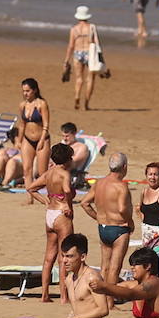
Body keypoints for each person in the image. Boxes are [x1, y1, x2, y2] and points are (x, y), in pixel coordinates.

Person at [27, 143, 76, 303]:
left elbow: (31, 188)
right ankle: (63, 296)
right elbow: (67, 190)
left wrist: (45, 201)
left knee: (49, 257)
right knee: (64, 257)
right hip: (62, 214)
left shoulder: (49, 173)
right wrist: (68, 205)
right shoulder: (64, 174)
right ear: (67, 159)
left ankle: (44, 295)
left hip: (50, 213)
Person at [82, 152, 132, 284]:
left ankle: (102, 297)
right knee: (115, 268)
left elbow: (84, 203)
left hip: (103, 228)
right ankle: (109, 300)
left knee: (104, 267)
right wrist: (130, 222)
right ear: (125, 167)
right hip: (119, 228)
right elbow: (122, 209)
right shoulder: (121, 186)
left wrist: (98, 217)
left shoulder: (99, 183)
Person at [63, 5, 100, 111]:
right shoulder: (92, 27)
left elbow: (71, 45)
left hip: (77, 53)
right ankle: (86, 103)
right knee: (90, 79)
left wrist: (66, 60)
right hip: (89, 53)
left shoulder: (74, 29)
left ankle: (77, 96)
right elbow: (96, 42)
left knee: (79, 79)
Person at [18, 78, 50, 183]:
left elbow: (46, 124)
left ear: (34, 90)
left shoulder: (42, 104)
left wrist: (41, 140)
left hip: (42, 138)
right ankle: (29, 197)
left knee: (42, 173)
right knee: (27, 170)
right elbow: (22, 124)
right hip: (27, 140)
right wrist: (19, 140)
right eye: (23, 91)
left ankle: (49, 197)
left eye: (28, 91)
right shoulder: (23, 105)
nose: (25, 94)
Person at [137, 161, 159, 249]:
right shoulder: (144, 191)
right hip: (146, 236)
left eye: (155, 174)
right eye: (150, 174)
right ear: (146, 176)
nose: (152, 177)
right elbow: (139, 209)